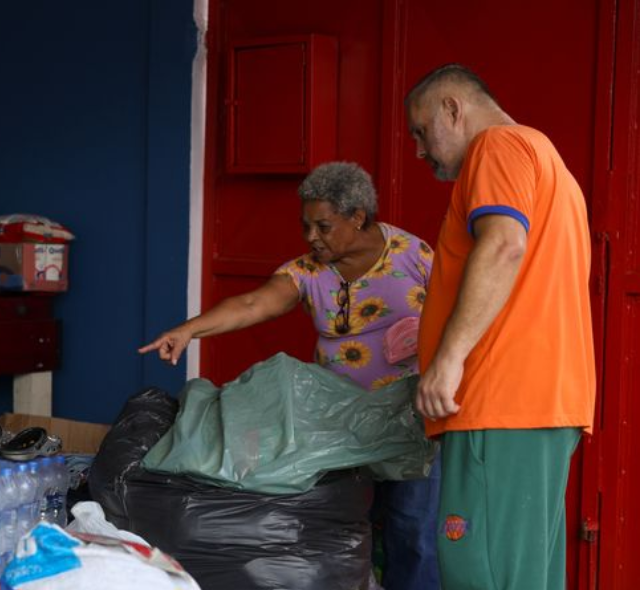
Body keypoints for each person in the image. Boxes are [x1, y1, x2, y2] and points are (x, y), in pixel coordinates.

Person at [140, 161, 441, 590]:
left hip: (412, 421)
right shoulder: (308, 271)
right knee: (347, 531)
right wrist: (188, 330)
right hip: (340, 428)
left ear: (357, 216)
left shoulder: (414, 255)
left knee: (415, 534)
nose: (311, 238)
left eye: (323, 226)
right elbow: (253, 304)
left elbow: (458, 315)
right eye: (306, 227)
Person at [405, 64, 596, 590]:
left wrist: (448, 359)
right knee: (522, 575)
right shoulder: (547, 160)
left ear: (452, 108)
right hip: (540, 405)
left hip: (501, 401)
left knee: (479, 571)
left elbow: (504, 244)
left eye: (421, 130)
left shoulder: (497, 148)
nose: (419, 150)